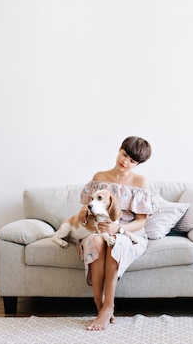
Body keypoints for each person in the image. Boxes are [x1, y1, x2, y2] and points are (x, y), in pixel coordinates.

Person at [79, 136, 158, 331]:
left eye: (132, 161)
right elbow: (88, 206)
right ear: (119, 149)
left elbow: (141, 222)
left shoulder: (140, 182)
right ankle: (99, 302)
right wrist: (84, 211)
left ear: (138, 163)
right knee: (95, 242)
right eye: (124, 155)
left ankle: (109, 306)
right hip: (100, 228)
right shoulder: (99, 177)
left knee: (116, 242)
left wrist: (119, 229)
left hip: (129, 232)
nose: (125, 162)